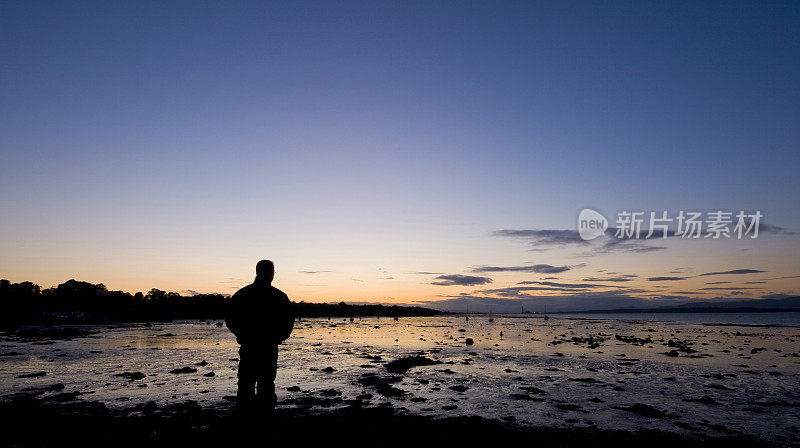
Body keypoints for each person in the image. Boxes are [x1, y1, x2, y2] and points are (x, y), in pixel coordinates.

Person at [226, 260, 294, 408]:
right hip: (266, 347)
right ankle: (265, 420)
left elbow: (230, 320)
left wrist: (241, 334)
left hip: (250, 346)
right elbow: (289, 322)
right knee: (265, 385)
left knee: (246, 385)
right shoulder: (279, 296)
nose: (272, 274)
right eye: (272, 271)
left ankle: (247, 419)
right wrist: (279, 337)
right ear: (271, 273)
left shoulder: (241, 294)